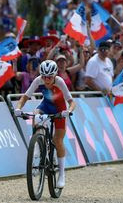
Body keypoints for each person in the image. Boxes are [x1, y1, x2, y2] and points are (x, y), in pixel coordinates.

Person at [14, 60, 76, 189]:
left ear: (55, 75)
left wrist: (68, 112)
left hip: (60, 110)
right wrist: (18, 108)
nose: (46, 80)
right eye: (44, 77)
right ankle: (37, 144)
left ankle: (62, 175)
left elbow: (71, 102)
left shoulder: (60, 82)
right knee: (35, 113)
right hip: (46, 106)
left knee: (57, 140)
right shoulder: (38, 80)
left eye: (49, 77)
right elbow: (24, 97)